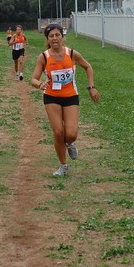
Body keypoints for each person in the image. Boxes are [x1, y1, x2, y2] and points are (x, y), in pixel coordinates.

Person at [31, 24, 100, 176]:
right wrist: (39, 84)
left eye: (57, 35)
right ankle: (63, 166)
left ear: (62, 36)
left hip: (70, 96)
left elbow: (88, 67)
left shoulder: (72, 54)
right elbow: (33, 79)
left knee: (71, 133)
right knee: (58, 132)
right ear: (47, 39)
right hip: (51, 96)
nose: (54, 38)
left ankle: (70, 143)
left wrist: (91, 87)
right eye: (51, 36)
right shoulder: (43, 57)